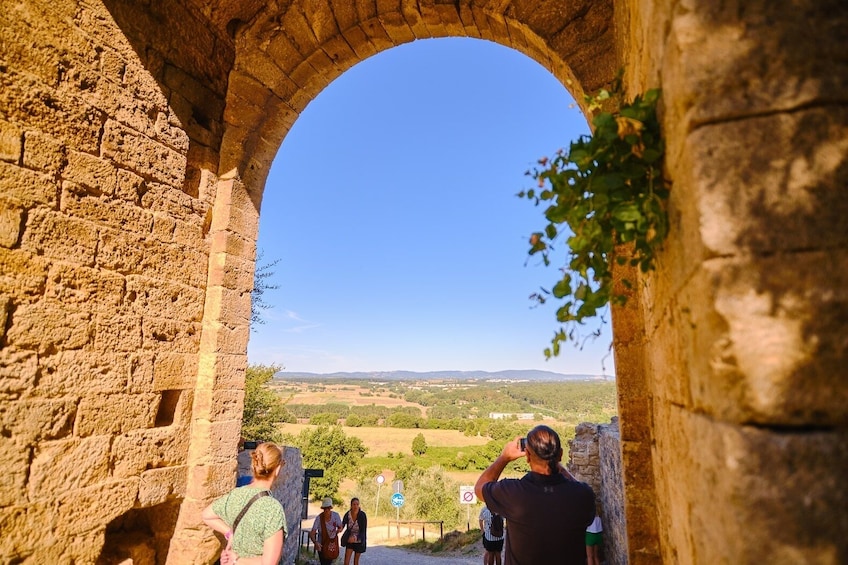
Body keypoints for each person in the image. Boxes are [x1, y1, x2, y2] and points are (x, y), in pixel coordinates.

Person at [474, 425, 595, 565]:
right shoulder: (582, 495)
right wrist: (557, 466)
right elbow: (578, 489)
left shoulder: (513, 493)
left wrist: (504, 458)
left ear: (527, 456)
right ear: (561, 455)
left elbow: (479, 488)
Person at [202, 442, 288, 565]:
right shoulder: (272, 509)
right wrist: (236, 560)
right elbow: (269, 563)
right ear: (278, 468)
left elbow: (207, 515)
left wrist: (229, 533)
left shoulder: (235, 495)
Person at [310, 497, 343, 565]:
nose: (327, 510)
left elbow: (340, 527)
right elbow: (312, 533)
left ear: (330, 508)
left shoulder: (335, 516)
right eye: (325, 508)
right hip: (321, 545)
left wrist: (338, 530)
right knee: (324, 562)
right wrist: (315, 542)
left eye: (328, 508)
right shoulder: (319, 518)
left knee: (328, 562)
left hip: (331, 545)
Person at [340, 497, 368, 565]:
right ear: (351, 505)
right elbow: (343, 524)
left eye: (357, 504)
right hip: (350, 539)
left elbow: (363, 531)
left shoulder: (362, 515)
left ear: (359, 505)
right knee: (346, 561)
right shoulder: (348, 514)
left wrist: (355, 537)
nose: (355, 506)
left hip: (359, 540)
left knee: (356, 562)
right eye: (354, 504)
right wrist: (340, 529)